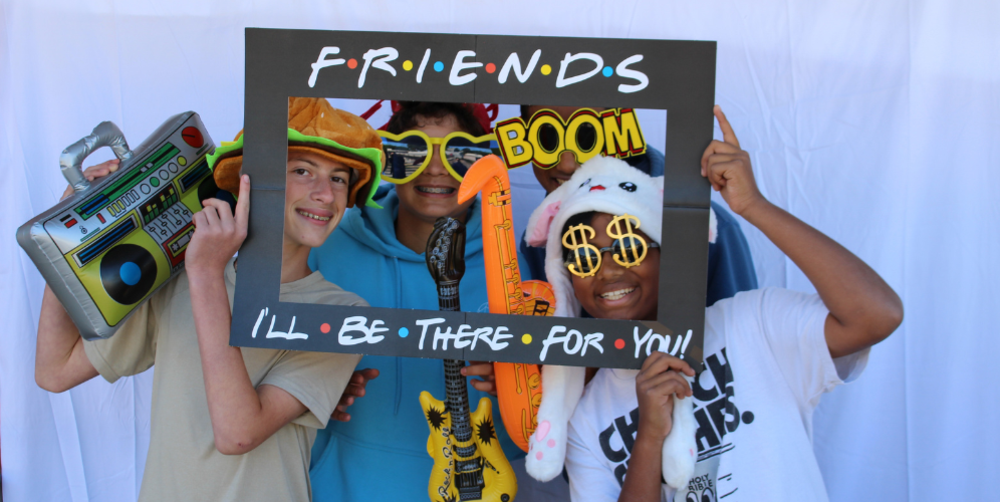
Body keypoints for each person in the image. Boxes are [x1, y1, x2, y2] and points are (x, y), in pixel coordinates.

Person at [540, 106, 903, 501]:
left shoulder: (753, 325)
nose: (607, 271)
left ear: (670, 251)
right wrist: (648, 438)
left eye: (628, 246)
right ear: (567, 281)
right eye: (583, 256)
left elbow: (877, 315)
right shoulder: (585, 420)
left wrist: (752, 205)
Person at [34, 97, 377, 502]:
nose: (324, 193)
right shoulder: (179, 277)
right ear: (252, 181)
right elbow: (55, 372)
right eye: (303, 171)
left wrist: (205, 273)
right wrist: (63, 233)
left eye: (339, 178)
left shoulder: (345, 315)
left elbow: (237, 433)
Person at [307, 101, 530, 501]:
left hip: (481, 486)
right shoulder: (327, 245)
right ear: (387, 160)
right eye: (414, 152)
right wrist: (311, 387)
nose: (436, 168)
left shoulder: (516, 263)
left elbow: (556, 393)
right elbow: (266, 348)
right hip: (342, 485)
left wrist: (519, 385)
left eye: (459, 154)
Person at [517, 105, 758, 306]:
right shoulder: (539, 234)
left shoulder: (709, 230)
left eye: (587, 137)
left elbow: (739, 348)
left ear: (622, 131)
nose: (567, 164)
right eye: (546, 138)